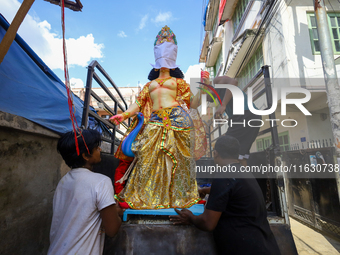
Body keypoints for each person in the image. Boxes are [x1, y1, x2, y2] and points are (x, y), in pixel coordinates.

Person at [110, 26, 206, 209]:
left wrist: (202, 87)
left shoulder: (179, 83)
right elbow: (138, 104)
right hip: (155, 122)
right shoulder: (150, 85)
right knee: (147, 159)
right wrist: (123, 114)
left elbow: (193, 104)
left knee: (182, 161)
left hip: (179, 121)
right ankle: (146, 197)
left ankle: (183, 197)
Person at [170, 135, 281, 255]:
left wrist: (190, 217)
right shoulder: (243, 172)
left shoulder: (223, 175)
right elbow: (233, 189)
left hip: (245, 248)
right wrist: (205, 190)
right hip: (264, 245)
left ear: (216, 153)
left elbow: (208, 223)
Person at [48, 129, 123, 255]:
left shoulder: (64, 181)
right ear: (85, 155)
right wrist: (117, 212)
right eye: (96, 148)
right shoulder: (101, 182)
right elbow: (112, 229)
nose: (100, 150)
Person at [213, 76, 262, 166]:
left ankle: (224, 179)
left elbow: (234, 82)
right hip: (252, 116)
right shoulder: (221, 96)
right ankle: (247, 180)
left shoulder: (217, 81)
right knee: (240, 155)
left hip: (245, 114)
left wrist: (223, 105)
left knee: (222, 148)